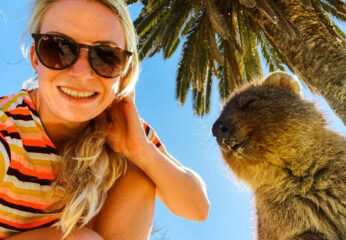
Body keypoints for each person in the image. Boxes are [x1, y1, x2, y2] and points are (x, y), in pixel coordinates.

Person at [0, 0, 210, 239]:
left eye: (106, 56)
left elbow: (197, 207)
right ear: (35, 58)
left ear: (122, 73)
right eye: (58, 48)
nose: (82, 74)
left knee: (141, 171)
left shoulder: (122, 128)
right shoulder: (7, 129)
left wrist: (140, 150)